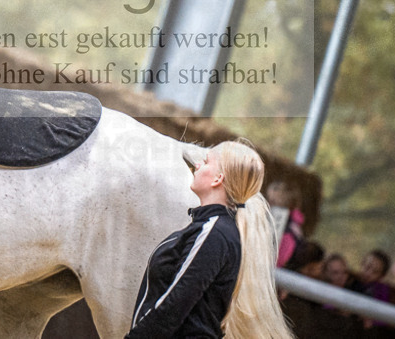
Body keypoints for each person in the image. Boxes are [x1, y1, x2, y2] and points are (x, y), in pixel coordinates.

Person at [125, 140, 293, 339]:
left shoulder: (214, 231)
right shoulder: (215, 228)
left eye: (205, 162)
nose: (197, 165)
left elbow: (175, 303)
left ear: (217, 179)